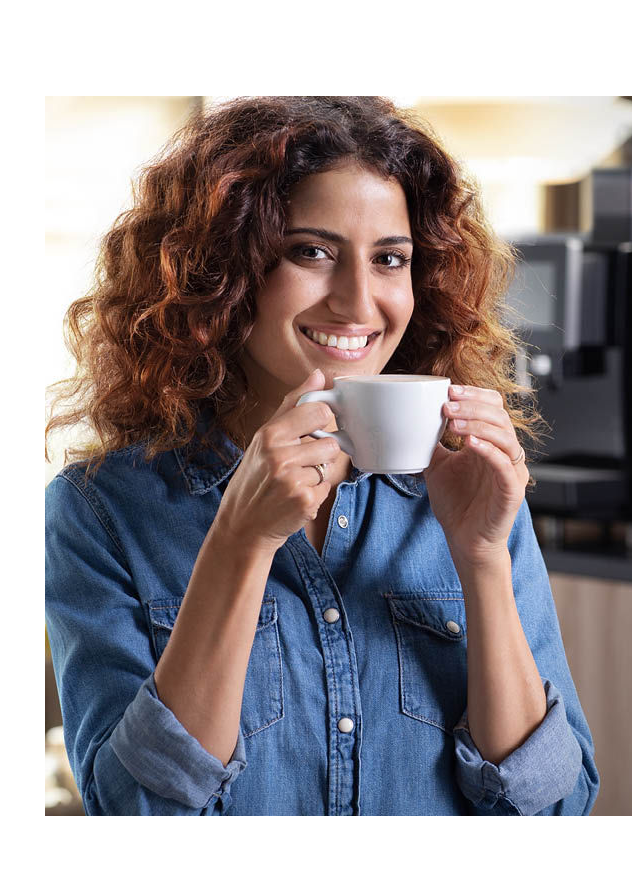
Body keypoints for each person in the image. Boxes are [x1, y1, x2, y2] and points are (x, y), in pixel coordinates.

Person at [45, 96, 599, 815]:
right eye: (312, 252)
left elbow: (556, 808)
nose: (359, 302)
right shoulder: (100, 511)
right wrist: (242, 540)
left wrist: (485, 558)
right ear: (222, 270)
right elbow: (139, 817)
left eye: (390, 259)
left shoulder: (472, 493)